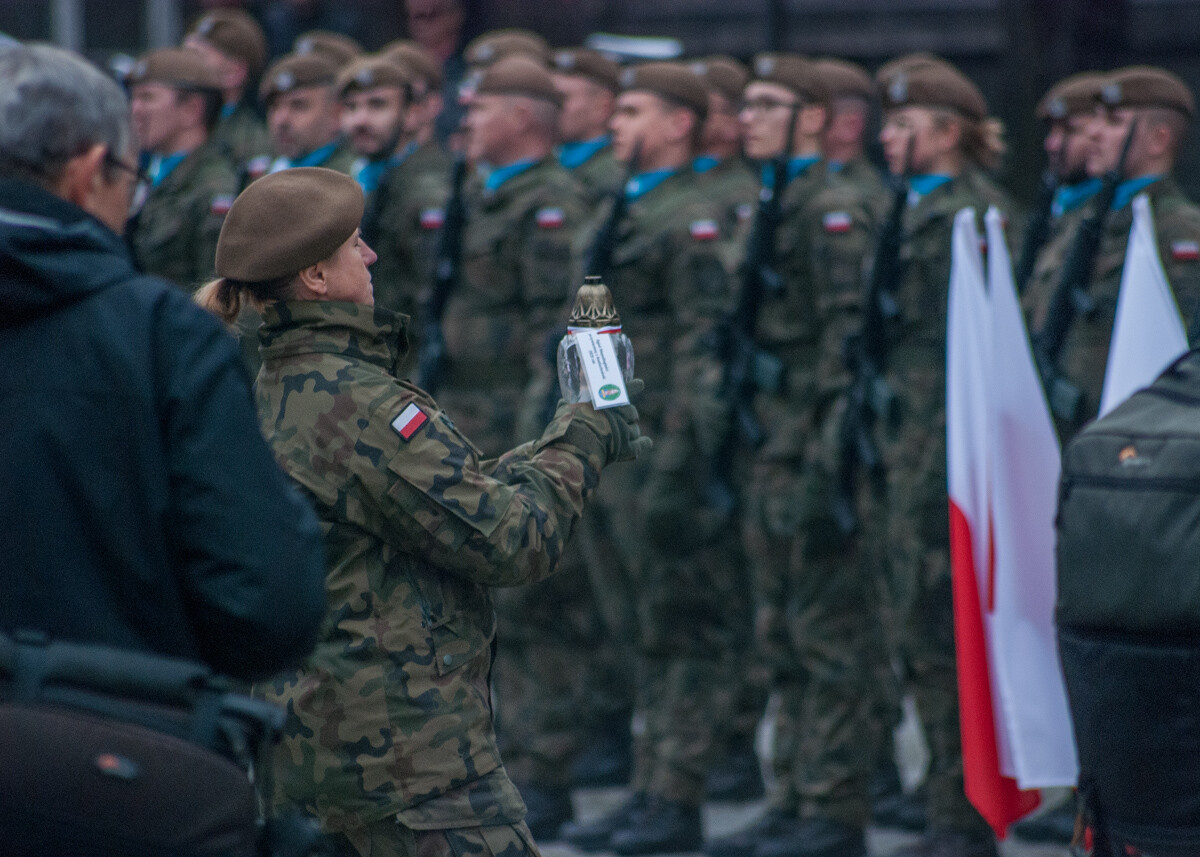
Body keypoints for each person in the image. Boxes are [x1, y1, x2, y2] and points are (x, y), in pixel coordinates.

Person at [196, 165, 648, 857]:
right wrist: (587, 429)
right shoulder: (360, 404)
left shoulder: (272, 385)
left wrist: (550, 443)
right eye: (354, 244)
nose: (371, 255)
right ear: (316, 277)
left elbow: (434, 505)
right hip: (410, 769)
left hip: (311, 755)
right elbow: (509, 538)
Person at [0, 42, 325, 683]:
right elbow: (266, 605)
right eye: (128, 178)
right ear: (88, 174)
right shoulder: (161, 337)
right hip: (116, 740)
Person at [559, 61, 741, 856]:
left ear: (678, 124)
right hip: (607, 438)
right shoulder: (619, 207)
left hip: (657, 438)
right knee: (633, 624)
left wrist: (680, 458)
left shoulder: (692, 217)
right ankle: (648, 784)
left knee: (677, 628)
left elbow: (708, 343)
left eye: (632, 111)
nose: (615, 125)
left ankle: (676, 794)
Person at [706, 52, 880, 857]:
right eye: (749, 106)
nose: (751, 119)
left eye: (770, 106)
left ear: (813, 118)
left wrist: (825, 463)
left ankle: (833, 807)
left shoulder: (832, 209)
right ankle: (793, 790)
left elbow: (849, 350)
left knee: (825, 635)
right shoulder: (773, 202)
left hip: (809, 449)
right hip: (767, 445)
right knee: (777, 631)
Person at [873, 55, 1020, 857]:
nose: (886, 139)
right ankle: (943, 805)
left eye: (903, 125)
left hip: (952, 460)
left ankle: (964, 817)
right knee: (917, 638)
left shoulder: (978, 217)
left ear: (948, 131)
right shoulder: (905, 210)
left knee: (950, 634)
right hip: (904, 450)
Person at [1030, 65, 1200, 441]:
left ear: (1158, 140)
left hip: (1136, 442)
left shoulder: (1179, 231)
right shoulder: (1082, 224)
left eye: (1114, 122)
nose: (1094, 131)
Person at [124, 46, 239, 291]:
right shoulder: (143, 176)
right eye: (133, 98)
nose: (135, 110)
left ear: (191, 109)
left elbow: (216, 293)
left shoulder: (213, 187)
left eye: (147, 97)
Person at [183, 8, 273, 175]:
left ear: (234, 73)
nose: (183, 67)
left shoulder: (250, 142)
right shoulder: (174, 127)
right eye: (183, 56)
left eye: (197, 57)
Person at [691, 55, 758, 236]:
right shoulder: (682, 172)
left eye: (702, 109)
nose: (690, 116)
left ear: (735, 123)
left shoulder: (740, 191)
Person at [261, 50, 356, 174]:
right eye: (274, 106)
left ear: (335, 115)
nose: (281, 120)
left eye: (298, 106)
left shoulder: (352, 177)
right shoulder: (270, 172)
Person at [551, 47, 624, 207]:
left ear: (602, 107)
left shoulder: (614, 176)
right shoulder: (550, 160)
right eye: (550, 98)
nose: (551, 107)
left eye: (562, 98)